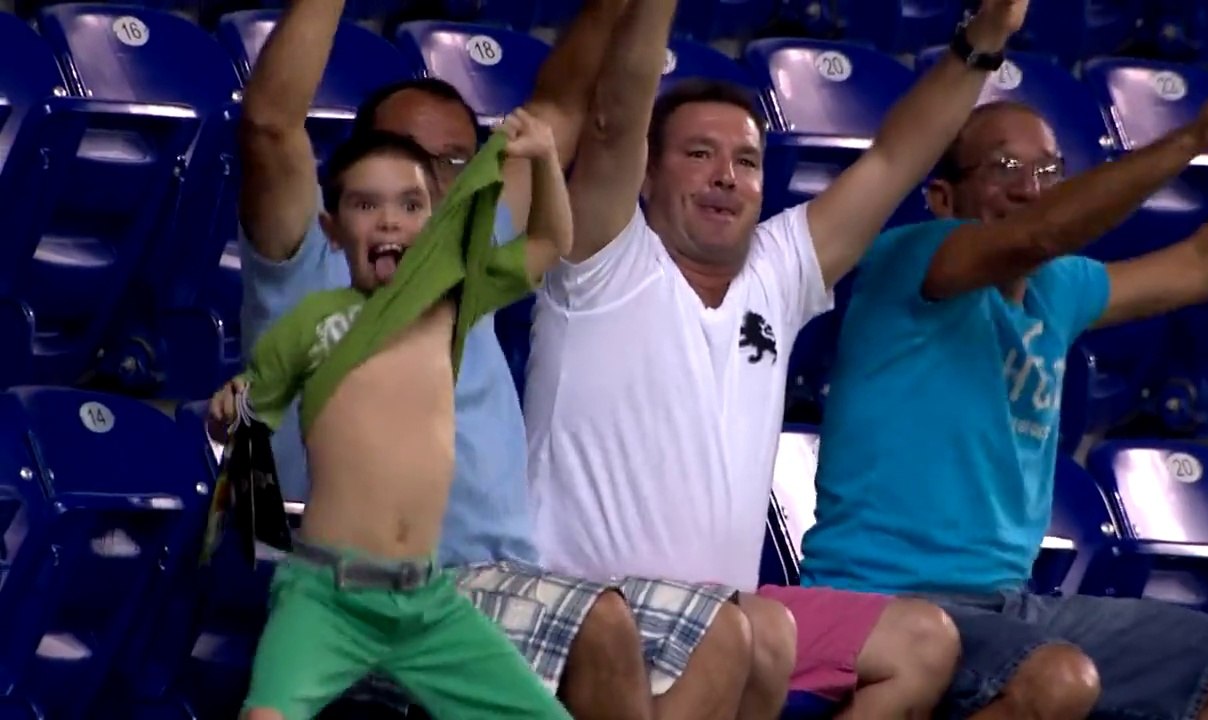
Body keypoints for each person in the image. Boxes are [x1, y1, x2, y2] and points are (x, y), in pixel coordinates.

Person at [234, 0, 755, 717]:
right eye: (413, 162)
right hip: (377, 587)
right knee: (602, 626)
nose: (441, 181)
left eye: (456, 162)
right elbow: (267, 123)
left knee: (727, 633)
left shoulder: (467, 250)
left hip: (508, 580)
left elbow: (560, 103)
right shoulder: (307, 256)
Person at [523, 0, 1031, 717]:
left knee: (919, 640)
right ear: (646, 175)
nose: (726, 176)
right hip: (589, 610)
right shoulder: (602, 254)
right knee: (748, 631)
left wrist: (979, 48)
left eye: (747, 160)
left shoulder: (780, 270)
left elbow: (893, 160)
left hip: (725, 615)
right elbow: (613, 121)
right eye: (699, 155)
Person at [802, 37, 1208, 720]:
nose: (1030, 187)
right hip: (880, 600)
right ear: (943, 196)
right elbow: (1039, 233)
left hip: (1008, 604)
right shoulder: (909, 259)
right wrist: (1192, 140)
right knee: (1057, 680)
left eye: (1049, 169)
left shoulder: (1061, 288)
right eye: (1004, 168)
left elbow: (1204, 262)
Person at [210, 110, 575, 719]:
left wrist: (541, 160)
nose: (389, 221)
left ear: (434, 224)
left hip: (429, 601)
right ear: (331, 227)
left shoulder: (455, 304)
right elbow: (251, 415)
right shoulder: (312, 320)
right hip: (326, 595)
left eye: (411, 206)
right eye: (365, 205)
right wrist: (226, 418)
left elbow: (549, 244)